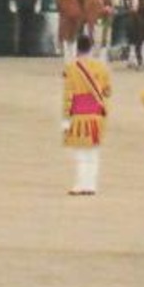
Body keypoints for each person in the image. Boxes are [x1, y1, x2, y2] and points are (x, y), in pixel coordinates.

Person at [62, 34, 112, 196]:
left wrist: (65, 119)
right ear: (91, 48)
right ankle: (91, 184)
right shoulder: (101, 67)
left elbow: (68, 95)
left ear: (77, 48)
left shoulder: (71, 68)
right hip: (96, 115)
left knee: (80, 153)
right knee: (93, 153)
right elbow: (108, 91)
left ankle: (79, 184)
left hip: (78, 115)